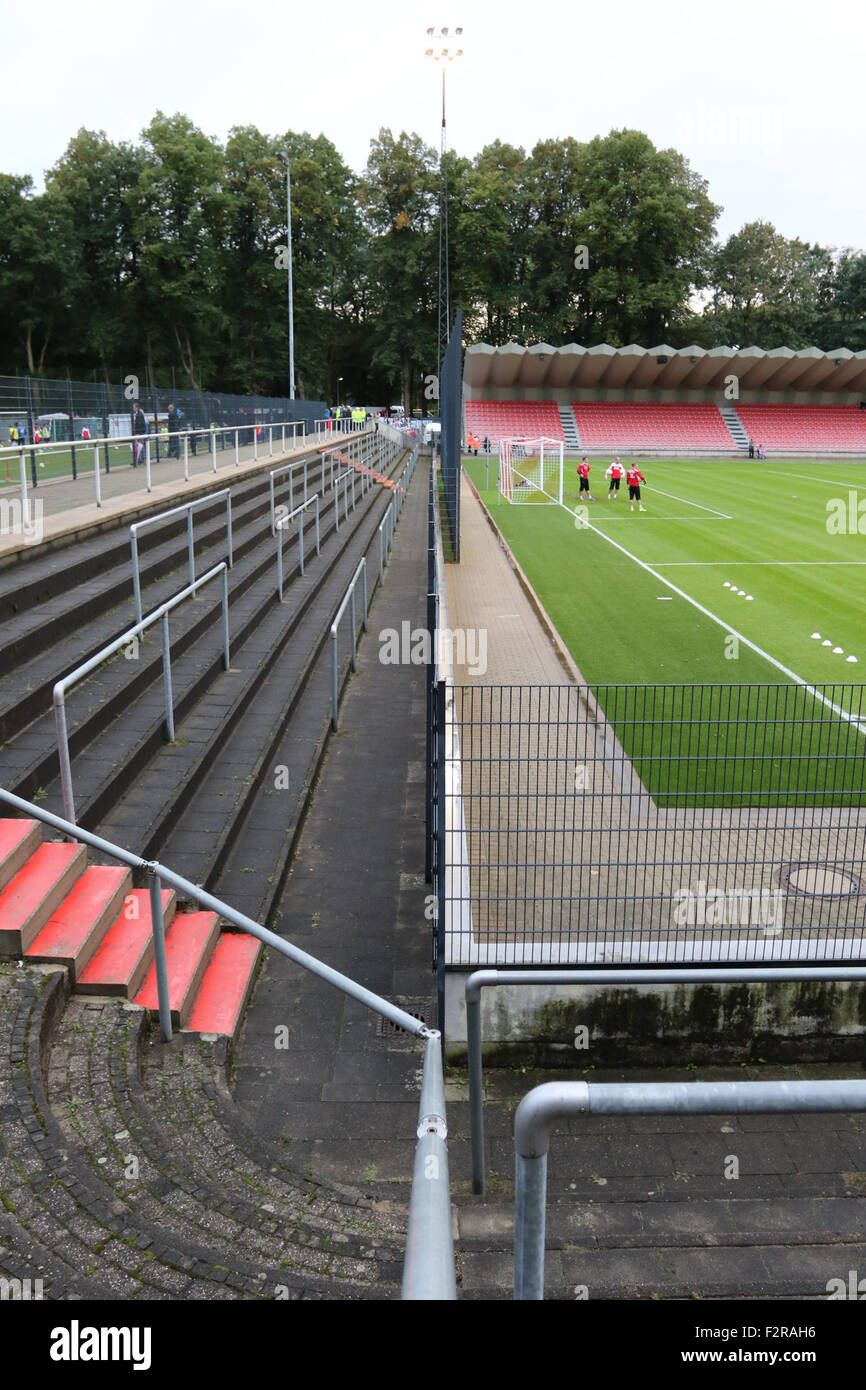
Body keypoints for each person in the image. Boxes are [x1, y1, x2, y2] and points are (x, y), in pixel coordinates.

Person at [131, 402, 147, 467]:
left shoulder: (139, 414)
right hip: (140, 432)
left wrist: (138, 433)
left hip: (140, 433)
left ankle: (142, 459)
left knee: (141, 446)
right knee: (140, 446)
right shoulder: (139, 414)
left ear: (136, 407)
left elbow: (139, 424)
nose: (133, 408)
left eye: (133, 407)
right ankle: (140, 459)